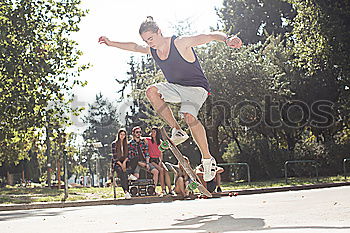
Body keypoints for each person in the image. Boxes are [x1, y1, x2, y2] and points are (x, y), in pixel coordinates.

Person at [98, 16, 242, 182]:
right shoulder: (152, 50)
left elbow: (208, 36)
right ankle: (177, 129)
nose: (150, 43)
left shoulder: (179, 43)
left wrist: (227, 39)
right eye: (146, 40)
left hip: (197, 89)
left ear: (159, 32)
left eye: (151, 38)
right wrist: (111, 43)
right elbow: (134, 47)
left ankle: (208, 160)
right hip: (176, 88)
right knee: (151, 91)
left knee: (189, 116)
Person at [146, 126, 173, 196]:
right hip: (152, 160)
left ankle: (170, 190)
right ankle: (163, 189)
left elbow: (161, 153)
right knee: (161, 170)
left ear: (157, 133)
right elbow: (141, 138)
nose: (152, 133)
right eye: (151, 132)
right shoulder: (148, 140)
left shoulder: (160, 142)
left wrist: (161, 162)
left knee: (166, 171)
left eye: (154, 132)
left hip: (158, 160)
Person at [111, 128, 131, 199]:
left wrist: (124, 163)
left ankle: (127, 191)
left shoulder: (127, 144)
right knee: (122, 172)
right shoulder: (114, 144)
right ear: (118, 135)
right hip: (117, 162)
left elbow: (128, 155)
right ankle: (126, 191)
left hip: (125, 161)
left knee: (126, 172)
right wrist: (121, 164)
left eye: (124, 134)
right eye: (121, 134)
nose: (122, 136)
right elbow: (115, 157)